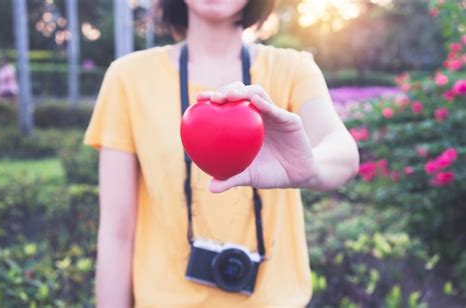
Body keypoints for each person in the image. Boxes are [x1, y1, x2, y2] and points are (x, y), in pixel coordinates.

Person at [84, 0, 359, 307]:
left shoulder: (292, 69)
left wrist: (310, 169)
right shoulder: (129, 77)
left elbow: (342, 153)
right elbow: (117, 233)